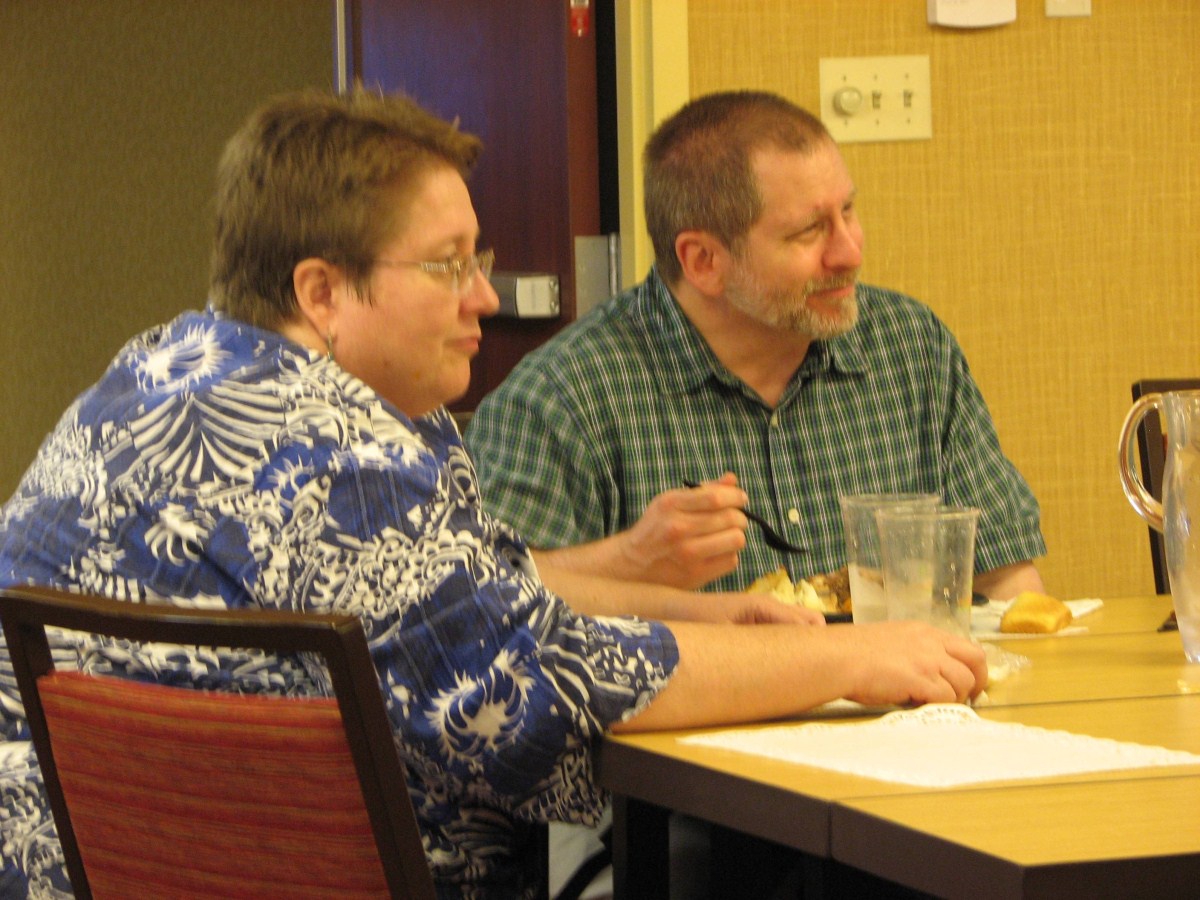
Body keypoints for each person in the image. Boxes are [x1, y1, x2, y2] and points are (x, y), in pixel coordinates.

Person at [0, 88, 986, 898]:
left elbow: (470, 595)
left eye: (479, 259)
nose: (485, 295)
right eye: (448, 266)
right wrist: (851, 657)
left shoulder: (160, 372)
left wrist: (705, 613)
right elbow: (544, 688)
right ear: (321, 292)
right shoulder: (333, 458)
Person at [467, 90, 1046, 601]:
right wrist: (630, 560)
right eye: (809, 231)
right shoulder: (561, 399)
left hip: (909, 690)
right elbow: (485, 612)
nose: (850, 252)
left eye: (848, 211)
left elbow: (1006, 582)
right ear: (704, 261)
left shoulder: (910, 347)